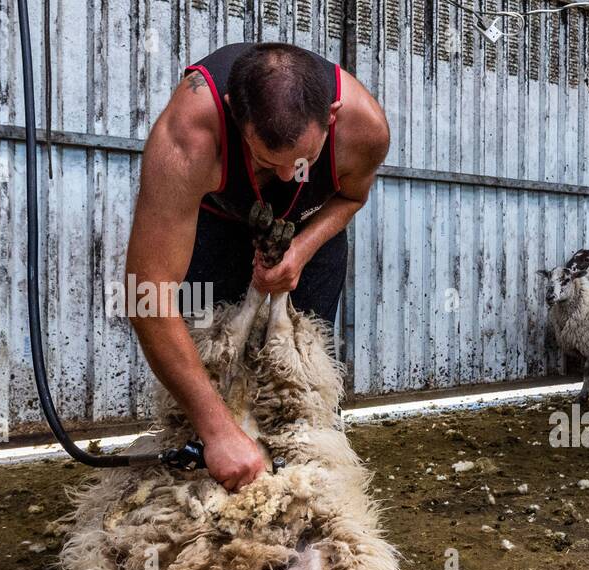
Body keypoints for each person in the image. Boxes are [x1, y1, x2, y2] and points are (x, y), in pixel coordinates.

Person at [123, 42, 391, 491]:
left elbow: (351, 196)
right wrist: (217, 431)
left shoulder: (364, 129)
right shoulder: (190, 132)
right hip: (214, 223)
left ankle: (307, 478)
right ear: (232, 112)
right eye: (267, 161)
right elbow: (146, 294)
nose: (287, 177)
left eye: (300, 162)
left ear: (331, 115)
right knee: (213, 353)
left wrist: (300, 250)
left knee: (297, 374)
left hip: (309, 226)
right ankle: (214, 453)